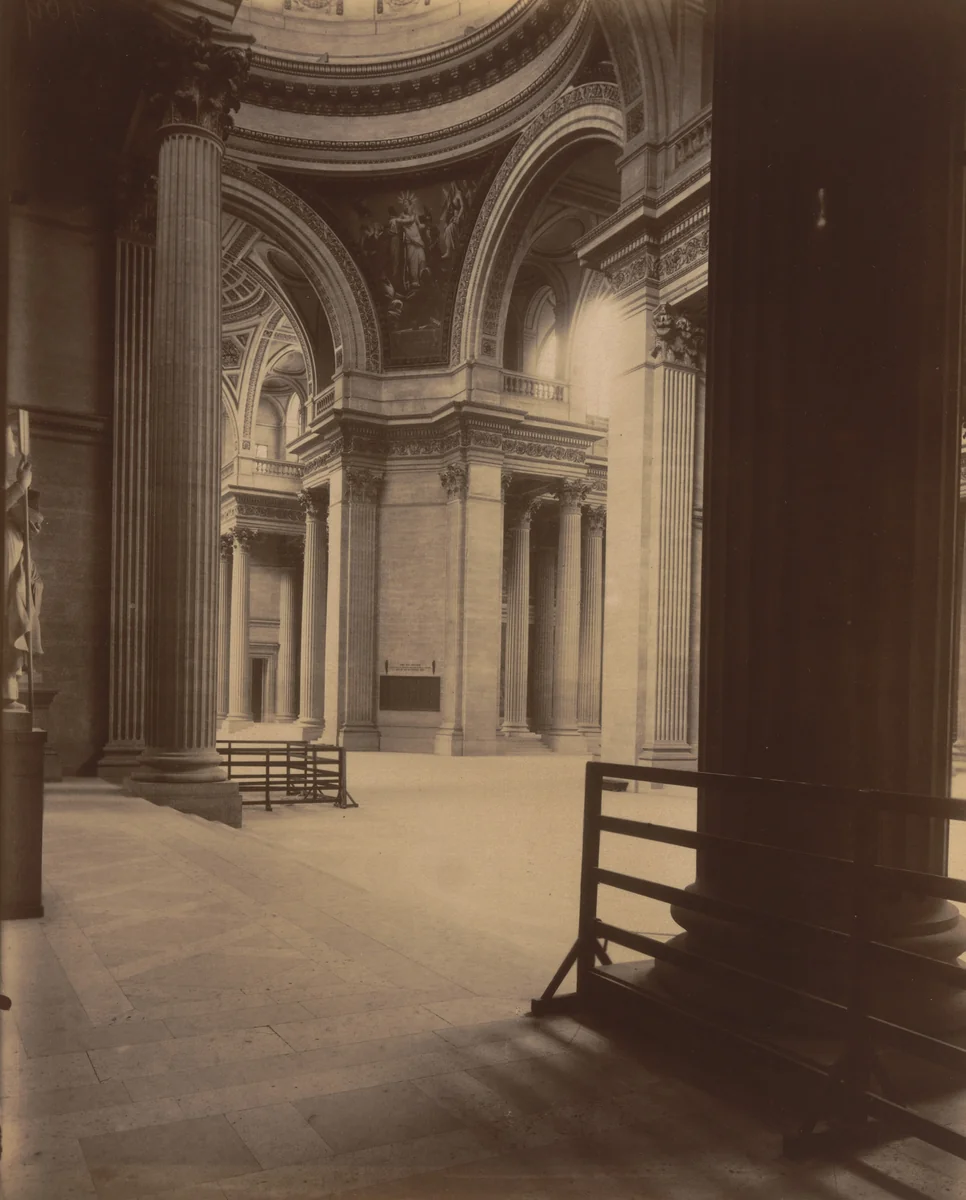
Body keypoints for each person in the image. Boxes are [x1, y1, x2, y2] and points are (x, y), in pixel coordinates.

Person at [4, 420, 43, 709]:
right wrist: (21, 486)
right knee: (9, 608)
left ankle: (10, 687)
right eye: (11, 439)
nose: (15, 446)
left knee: (19, 602)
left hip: (14, 548)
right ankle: (7, 691)